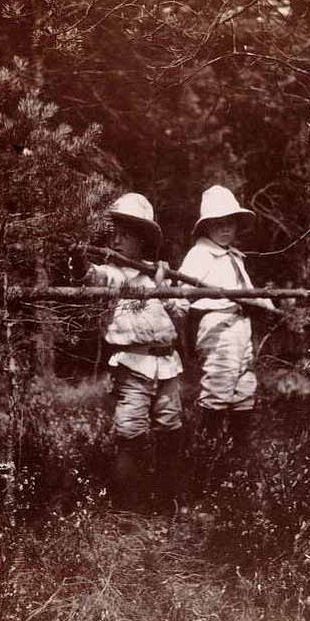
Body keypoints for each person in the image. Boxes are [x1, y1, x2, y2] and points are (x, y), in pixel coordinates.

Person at [78, 192, 184, 511]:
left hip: (166, 365)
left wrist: (163, 287)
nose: (120, 240)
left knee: (170, 426)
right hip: (133, 364)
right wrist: (78, 261)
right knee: (130, 429)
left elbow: (181, 309)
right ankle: (129, 506)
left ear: (143, 240)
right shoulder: (113, 274)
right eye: (115, 234)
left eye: (129, 235)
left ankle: (168, 500)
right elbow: (91, 276)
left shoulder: (158, 272)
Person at [177, 185, 274, 478]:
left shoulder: (235, 257)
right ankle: (206, 466)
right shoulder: (199, 255)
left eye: (229, 222)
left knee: (243, 389)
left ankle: (238, 463)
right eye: (217, 223)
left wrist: (268, 305)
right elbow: (182, 292)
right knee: (218, 389)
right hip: (217, 325)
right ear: (205, 226)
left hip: (241, 325)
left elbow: (249, 293)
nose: (224, 229)